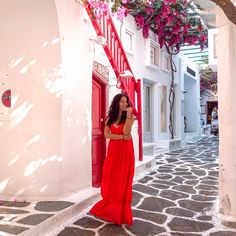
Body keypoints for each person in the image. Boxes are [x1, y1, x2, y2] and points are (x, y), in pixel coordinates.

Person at [90, 93, 135, 225]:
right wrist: (121, 137)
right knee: (111, 177)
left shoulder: (130, 116)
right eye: (122, 101)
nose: (124, 104)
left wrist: (127, 117)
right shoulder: (110, 117)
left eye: (126, 102)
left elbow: (127, 132)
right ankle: (109, 208)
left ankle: (120, 212)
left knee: (122, 179)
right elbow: (106, 134)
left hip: (125, 152)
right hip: (114, 152)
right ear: (116, 103)